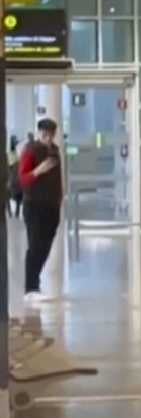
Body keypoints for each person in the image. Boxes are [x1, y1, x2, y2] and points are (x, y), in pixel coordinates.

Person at [19, 119, 63, 302]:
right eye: (44, 135)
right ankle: (30, 287)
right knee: (35, 245)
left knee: (45, 246)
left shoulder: (55, 151)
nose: (48, 138)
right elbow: (22, 179)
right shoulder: (31, 150)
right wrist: (39, 170)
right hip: (34, 205)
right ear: (39, 133)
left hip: (51, 206)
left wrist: (60, 198)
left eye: (51, 135)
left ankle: (34, 283)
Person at [7, 135, 22, 218]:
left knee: (18, 195)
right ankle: (10, 212)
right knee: (8, 194)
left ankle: (15, 212)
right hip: (11, 176)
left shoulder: (15, 153)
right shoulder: (10, 154)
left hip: (15, 177)